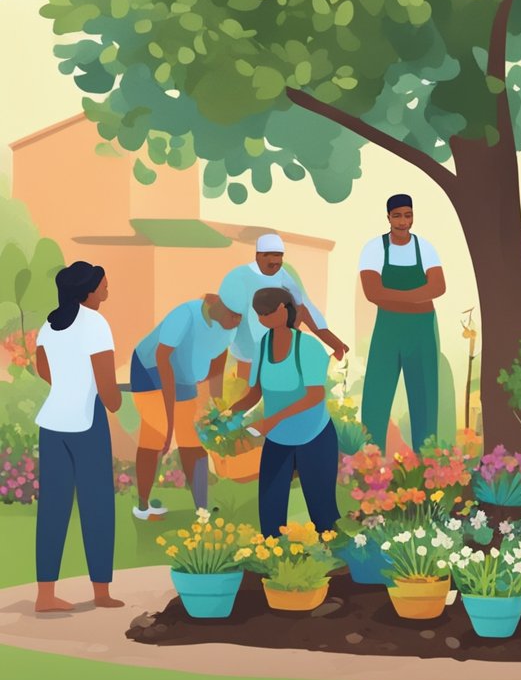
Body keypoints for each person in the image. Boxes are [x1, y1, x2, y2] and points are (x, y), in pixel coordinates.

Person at [32, 262, 123, 612]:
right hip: (87, 422)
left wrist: (67, 388)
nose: (106, 291)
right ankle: (101, 592)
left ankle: (45, 595)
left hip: (53, 422)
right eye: (103, 286)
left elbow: (43, 367)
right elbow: (107, 386)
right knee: (97, 505)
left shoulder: (50, 324)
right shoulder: (95, 323)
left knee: (53, 507)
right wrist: (113, 402)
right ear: (87, 291)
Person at [226, 288, 341, 538]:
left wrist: (272, 420)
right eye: (258, 314)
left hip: (315, 437)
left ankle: (336, 567)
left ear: (282, 309)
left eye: (266, 313)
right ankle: (273, 566)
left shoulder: (307, 346)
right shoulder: (262, 346)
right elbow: (254, 393)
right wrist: (228, 416)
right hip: (279, 440)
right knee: (270, 512)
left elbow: (314, 396)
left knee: (324, 514)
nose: (261, 319)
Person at [129, 289, 244, 519]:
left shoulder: (230, 326)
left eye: (241, 317)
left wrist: (216, 408)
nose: (238, 321)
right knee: (156, 435)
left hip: (184, 375)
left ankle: (201, 509)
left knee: (192, 440)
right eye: (234, 315)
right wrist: (170, 423)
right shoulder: (185, 315)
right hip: (151, 369)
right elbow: (163, 360)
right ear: (220, 306)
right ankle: (143, 507)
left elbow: (217, 367)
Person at [359, 194, 446, 453]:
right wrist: (417, 297)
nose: (403, 221)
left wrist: (394, 298)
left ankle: (427, 463)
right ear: (388, 217)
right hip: (388, 330)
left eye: (408, 215)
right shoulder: (374, 248)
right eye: (397, 215)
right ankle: (369, 462)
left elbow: (439, 286)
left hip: (421, 332)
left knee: (425, 397)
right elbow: (372, 292)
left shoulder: (425, 248)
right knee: (376, 393)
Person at [221, 233, 347, 382]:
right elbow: (227, 315)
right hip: (247, 348)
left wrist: (336, 346)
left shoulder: (282, 274)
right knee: (248, 383)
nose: (275, 262)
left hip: (278, 343)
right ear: (258, 256)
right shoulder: (239, 276)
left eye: (278, 256)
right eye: (269, 256)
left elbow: (301, 303)